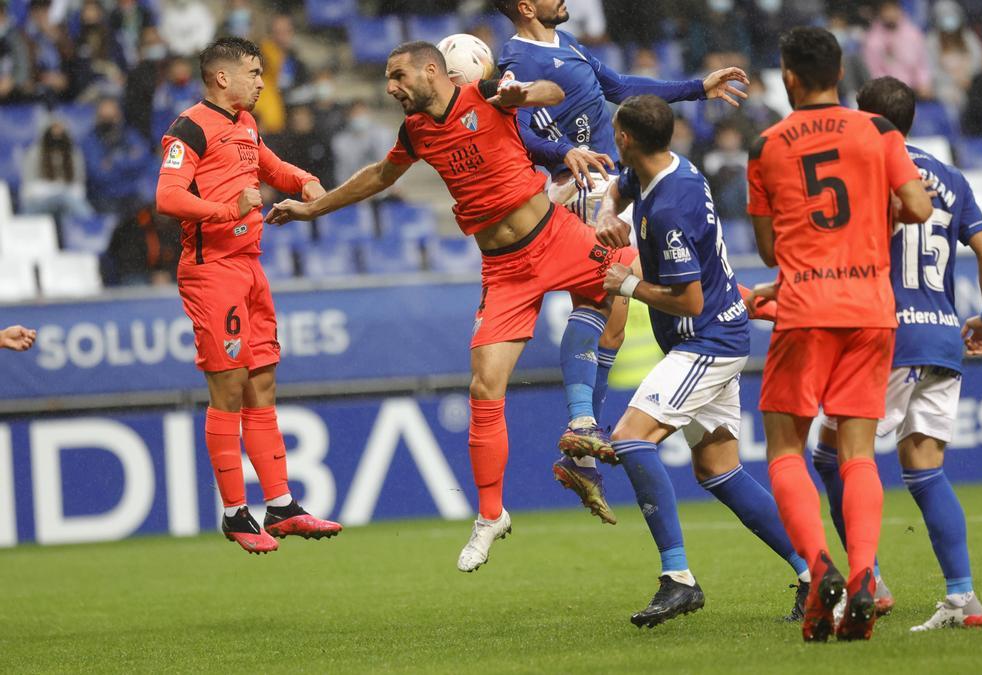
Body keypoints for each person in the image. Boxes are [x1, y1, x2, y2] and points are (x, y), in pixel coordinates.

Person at [265, 42, 637, 573]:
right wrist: (311, 209)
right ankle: (491, 516)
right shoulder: (415, 130)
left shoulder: (486, 94)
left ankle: (587, 430)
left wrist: (522, 93)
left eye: (398, 76)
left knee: (637, 274)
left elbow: (554, 92)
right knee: (485, 386)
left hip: (555, 236)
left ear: (432, 70)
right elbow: (378, 176)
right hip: (504, 270)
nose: (390, 87)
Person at [493, 0, 749, 524]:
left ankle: (579, 449)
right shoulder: (516, 60)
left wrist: (695, 88)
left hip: (610, 185)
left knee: (609, 322)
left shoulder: (564, 45)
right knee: (604, 298)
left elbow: (622, 87)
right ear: (525, 6)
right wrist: (563, 151)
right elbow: (517, 128)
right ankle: (581, 429)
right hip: (586, 185)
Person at [591, 94, 811, 628]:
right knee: (719, 469)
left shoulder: (669, 208)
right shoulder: (670, 166)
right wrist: (604, 217)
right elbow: (618, 187)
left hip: (706, 340)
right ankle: (816, 572)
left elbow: (687, 300)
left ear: (623, 137)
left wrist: (629, 284)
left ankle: (678, 579)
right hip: (718, 330)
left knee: (631, 439)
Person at [747, 26, 932, 643]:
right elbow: (919, 206)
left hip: (806, 308)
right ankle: (862, 577)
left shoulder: (765, 145)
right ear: (841, 70)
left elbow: (770, 246)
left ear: (789, 77)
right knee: (857, 454)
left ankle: (819, 564)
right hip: (872, 309)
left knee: (784, 449)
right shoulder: (877, 132)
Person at [812, 75, 982, 632]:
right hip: (943, 335)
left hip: (884, 333)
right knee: (924, 468)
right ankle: (962, 597)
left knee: (832, 456)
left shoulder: (863, 168)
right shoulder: (949, 176)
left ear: (862, 116)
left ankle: (867, 580)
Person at [155, 37, 340, 554]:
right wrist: (227, 210)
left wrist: (305, 182)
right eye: (254, 72)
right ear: (222, 77)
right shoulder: (188, 126)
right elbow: (166, 196)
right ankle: (236, 514)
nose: (262, 81)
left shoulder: (245, 124)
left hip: (251, 268)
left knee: (262, 384)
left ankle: (280, 507)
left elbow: (269, 166)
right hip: (211, 270)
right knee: (230, 388)